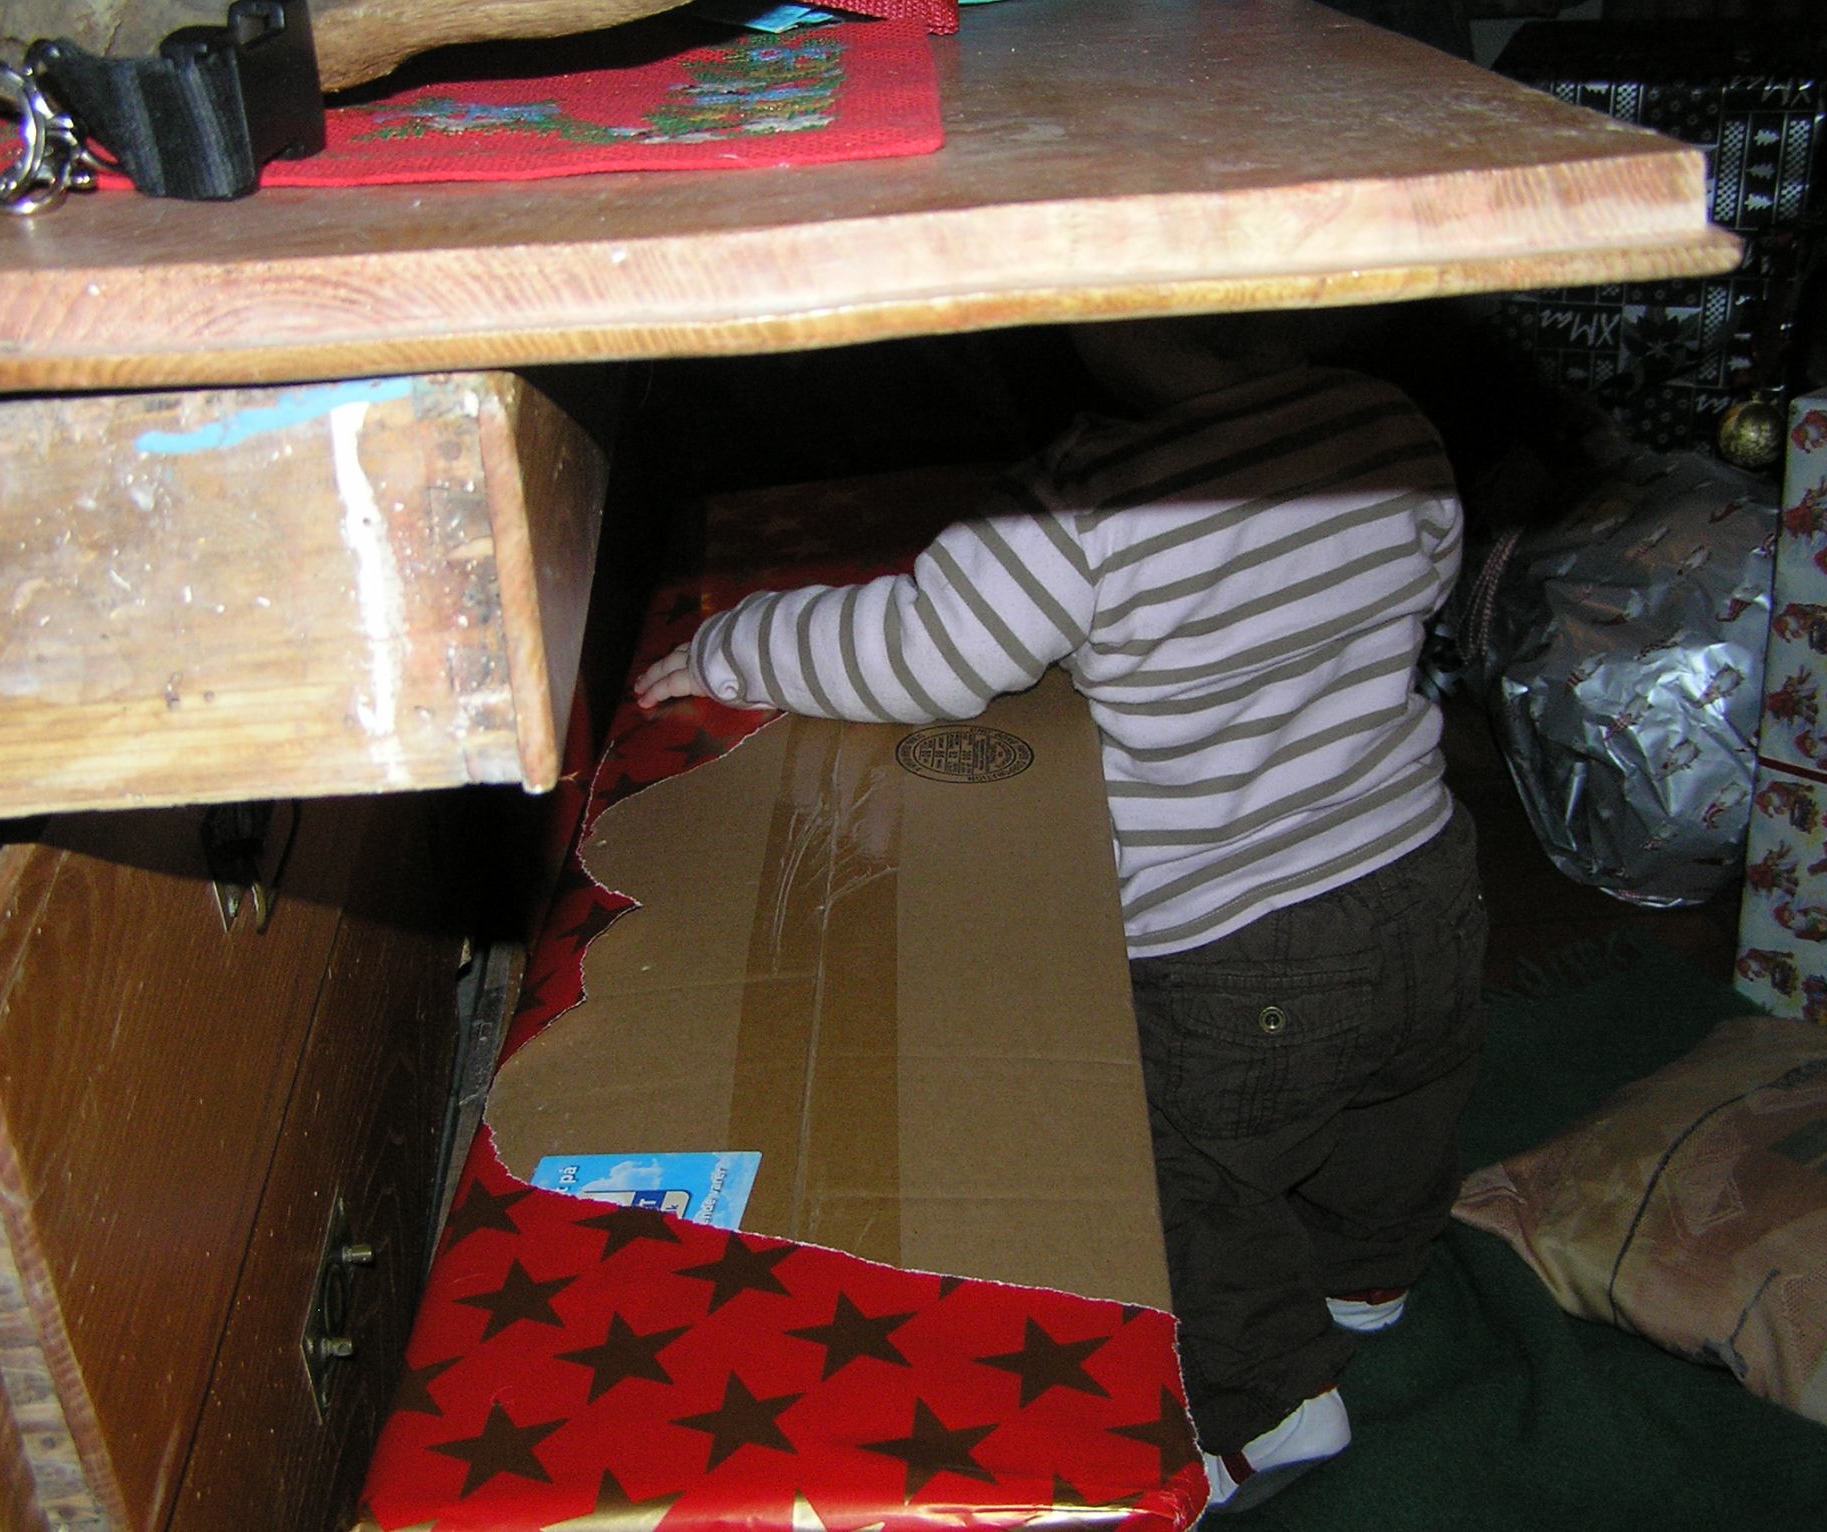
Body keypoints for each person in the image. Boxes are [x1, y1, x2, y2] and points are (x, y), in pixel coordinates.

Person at [636, 318, 1488, 1513]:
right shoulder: (1384, 422)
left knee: (1179, 1172)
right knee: (1400, 1095)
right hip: (1426, 874)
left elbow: (915, 654)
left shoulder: (1079, 504)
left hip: (1234, 948)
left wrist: (735, 642)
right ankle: (1369, 1276)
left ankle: (1267, 1407)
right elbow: (1422, 578)